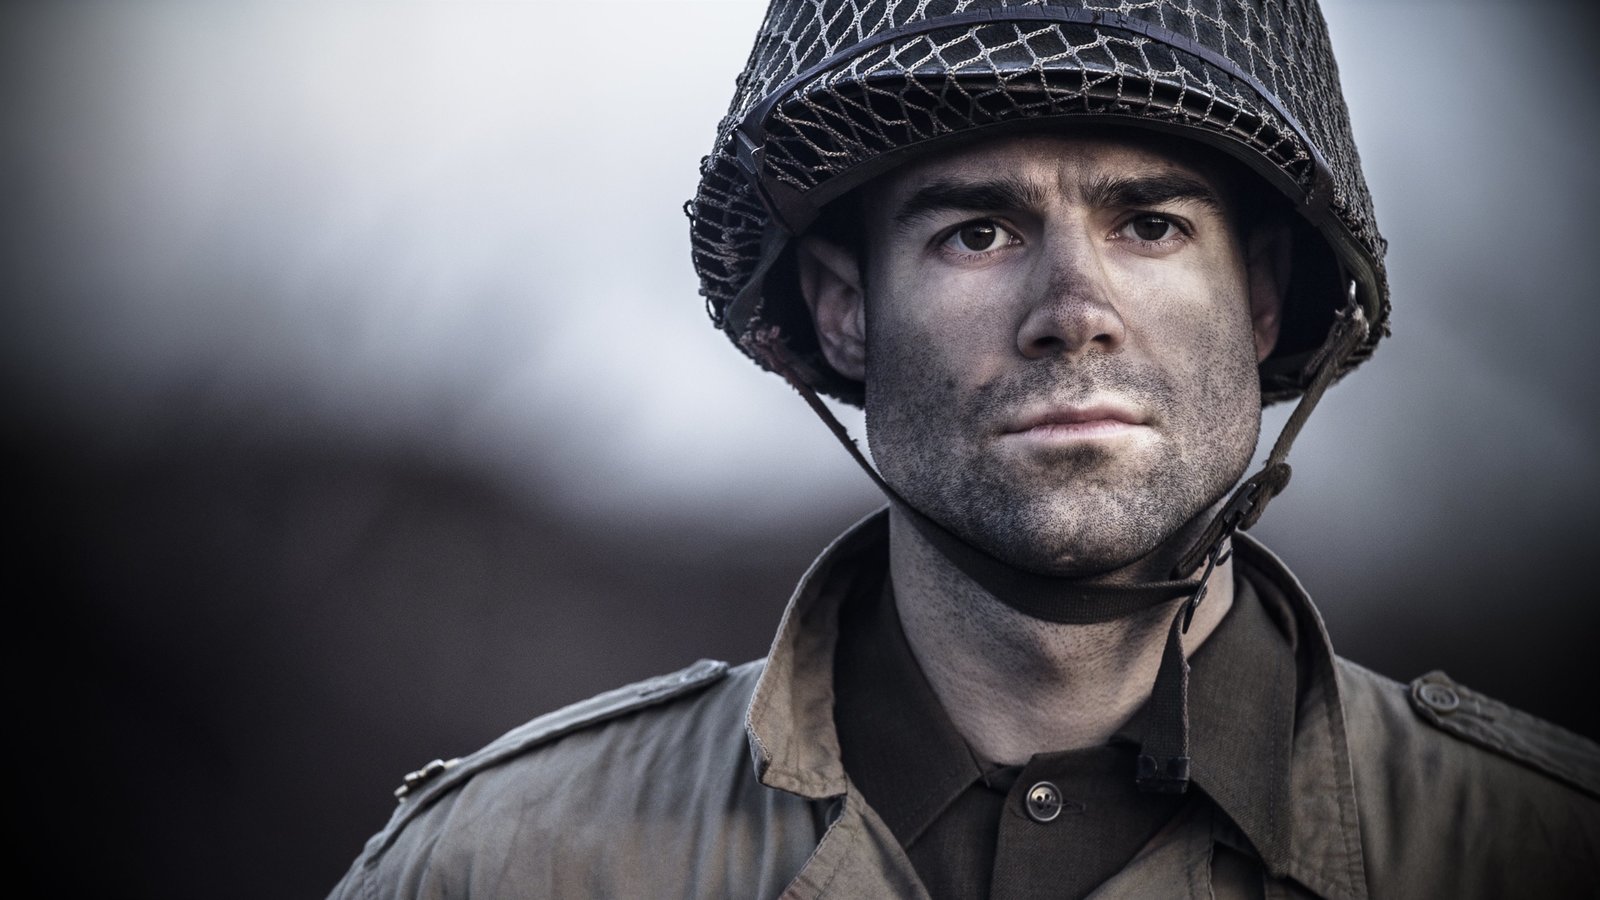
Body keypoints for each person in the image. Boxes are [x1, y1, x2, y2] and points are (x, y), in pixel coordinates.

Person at [330, 1, 1600, 897]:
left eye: (1150, 225)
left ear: (1261, 299)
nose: (1074, 313)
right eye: (977, 234)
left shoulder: (1529, 847)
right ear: (843, 310)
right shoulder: (509, 863)